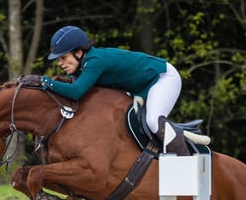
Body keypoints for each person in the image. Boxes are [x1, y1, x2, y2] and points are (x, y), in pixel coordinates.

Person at [20, 25, 189, 156]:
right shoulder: (84, 66)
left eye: (63, 57)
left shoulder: (95, 61)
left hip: (163, 78)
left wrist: (43, 81)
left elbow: (76, 92)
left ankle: (186, 164)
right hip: (141, 88)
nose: (60, 63)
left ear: (79, 53)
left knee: (153, 120)